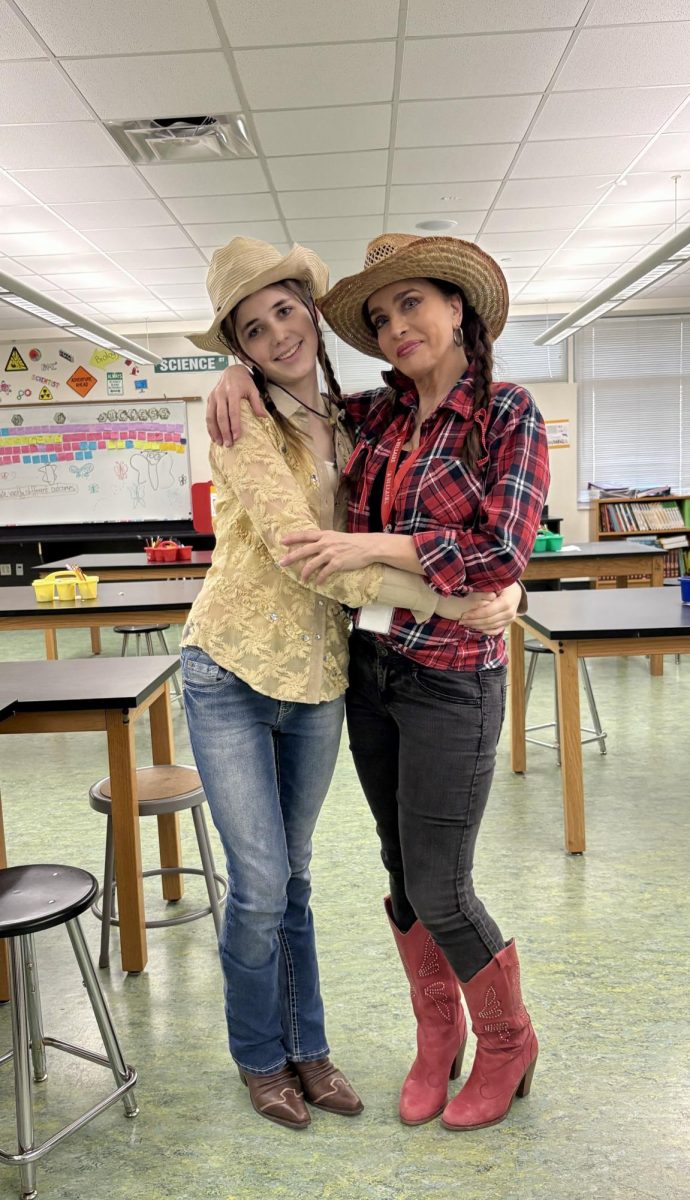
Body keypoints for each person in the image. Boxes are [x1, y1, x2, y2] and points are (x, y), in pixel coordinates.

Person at [205, 233, 550, 1133]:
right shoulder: (378, 417)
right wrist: (232, 378)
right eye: (383, 314)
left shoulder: (507, 413)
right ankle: (435, 1040)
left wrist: (433, 569)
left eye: (414, 305)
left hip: (451, 681)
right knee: (400, 879)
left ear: (458, 309)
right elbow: (304, 452)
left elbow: (502, 551)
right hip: (367, 671)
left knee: (442, 887)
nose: (399, 326)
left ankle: (507, 1042)